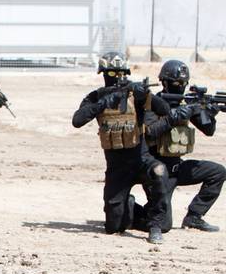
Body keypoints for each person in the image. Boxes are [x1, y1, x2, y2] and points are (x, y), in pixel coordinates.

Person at [71, 52, 172, 244]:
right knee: (114, 226)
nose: (115, 78)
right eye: (111, 73)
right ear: (103, 74)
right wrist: (102, 104)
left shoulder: (136, 95)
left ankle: (155, 225)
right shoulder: (96, 96)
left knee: (159, 171)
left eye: (119, 73)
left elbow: (165, 110)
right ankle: (129, 206)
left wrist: (145, 94)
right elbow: (77, 120)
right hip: (117, 168)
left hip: (141, 160)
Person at [136, 60, 225, 232]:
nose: (180, 87)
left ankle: (194, 217)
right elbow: (150, 132)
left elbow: (208, 130)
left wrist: (209, 113)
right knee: (164, 225)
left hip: (178, 168)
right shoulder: (153, 103)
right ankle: (129, 210)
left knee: (218, 172)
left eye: (183, 84)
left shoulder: (186, 104)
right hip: (157, 171)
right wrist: (174, 117)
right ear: (164, 82)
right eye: (176, 83)